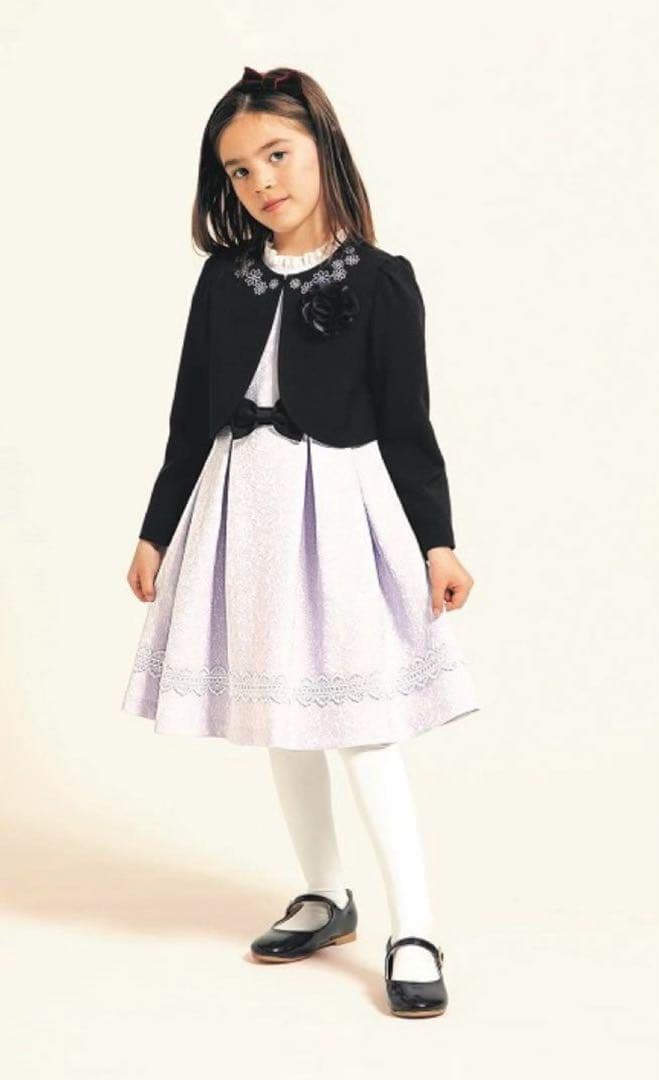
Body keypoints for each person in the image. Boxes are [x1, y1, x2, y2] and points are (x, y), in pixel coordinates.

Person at [122, 65, 480, 1019]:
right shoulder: (223, 281)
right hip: (244, 512)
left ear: (322, 145)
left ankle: (415, 925)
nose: (261, 182)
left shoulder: (382, 281)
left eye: (276, 155)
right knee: (278, 711)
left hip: (341, 515)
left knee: (360, 725)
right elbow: (189, 419)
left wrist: (438, 543)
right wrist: (157, 528)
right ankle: (325, 894)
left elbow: (409, 428)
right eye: (239, 171)